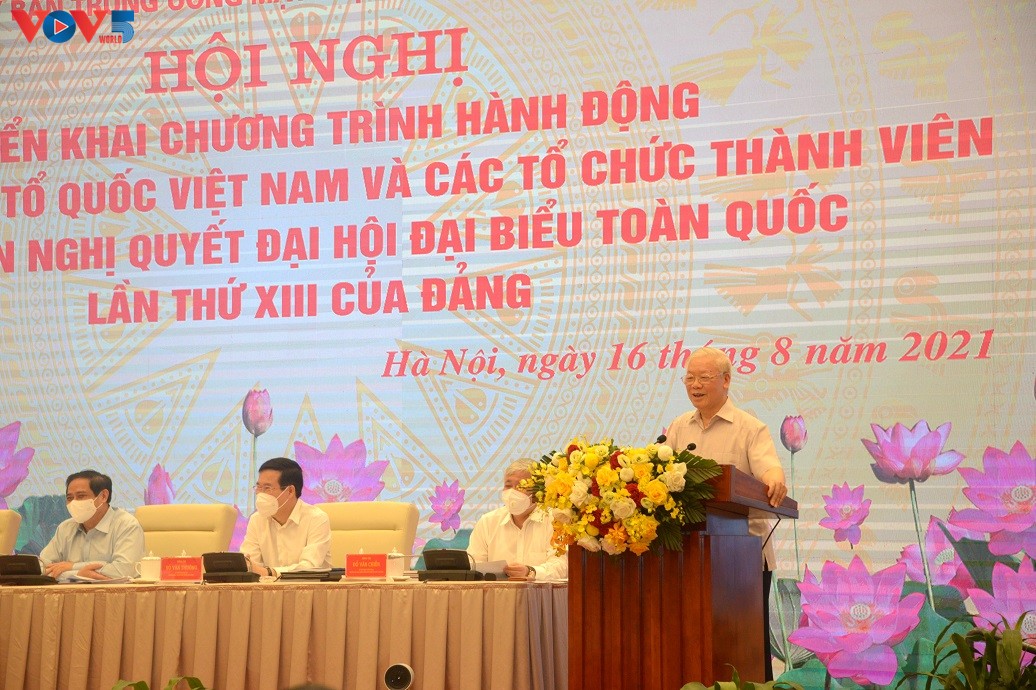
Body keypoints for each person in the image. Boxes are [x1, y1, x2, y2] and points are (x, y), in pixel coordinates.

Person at [664, 346, 788, 681]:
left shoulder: (750, 428)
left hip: (743, 559)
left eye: (704, 377)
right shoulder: (678, 427)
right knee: (694, 643)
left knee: (747, 645)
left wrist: (775, 478)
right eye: (689, 378)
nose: (695, 385)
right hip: (688, 556)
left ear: (726, 380)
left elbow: (769, 469)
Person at [467, 459, 568, 581]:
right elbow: (474, 565)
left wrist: (531, 571)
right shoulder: (487, 522)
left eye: (521, 486)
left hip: (540, 592)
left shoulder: (555, 521)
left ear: (538, 492)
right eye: (508, 486)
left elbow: (562, 565)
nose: (512, 492)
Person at [40, 469, 145, 581]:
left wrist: (73, 567)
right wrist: (78, 574)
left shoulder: (127, 525)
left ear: (103, 496)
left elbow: (124, 571)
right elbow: (42, 568)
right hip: (71, 592)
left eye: (81, 496)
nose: (73, 502)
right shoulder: (65, 528)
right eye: (69, 498)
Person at [240, 457, 331, 576]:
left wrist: (269, 572)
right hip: (268, 587)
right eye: (258, 487)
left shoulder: (317, 519)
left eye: (267, 488)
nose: (260, 494)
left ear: (290, 491)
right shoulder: (257, 519)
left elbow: (309, 567)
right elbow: (249, 564)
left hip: (309, 587)